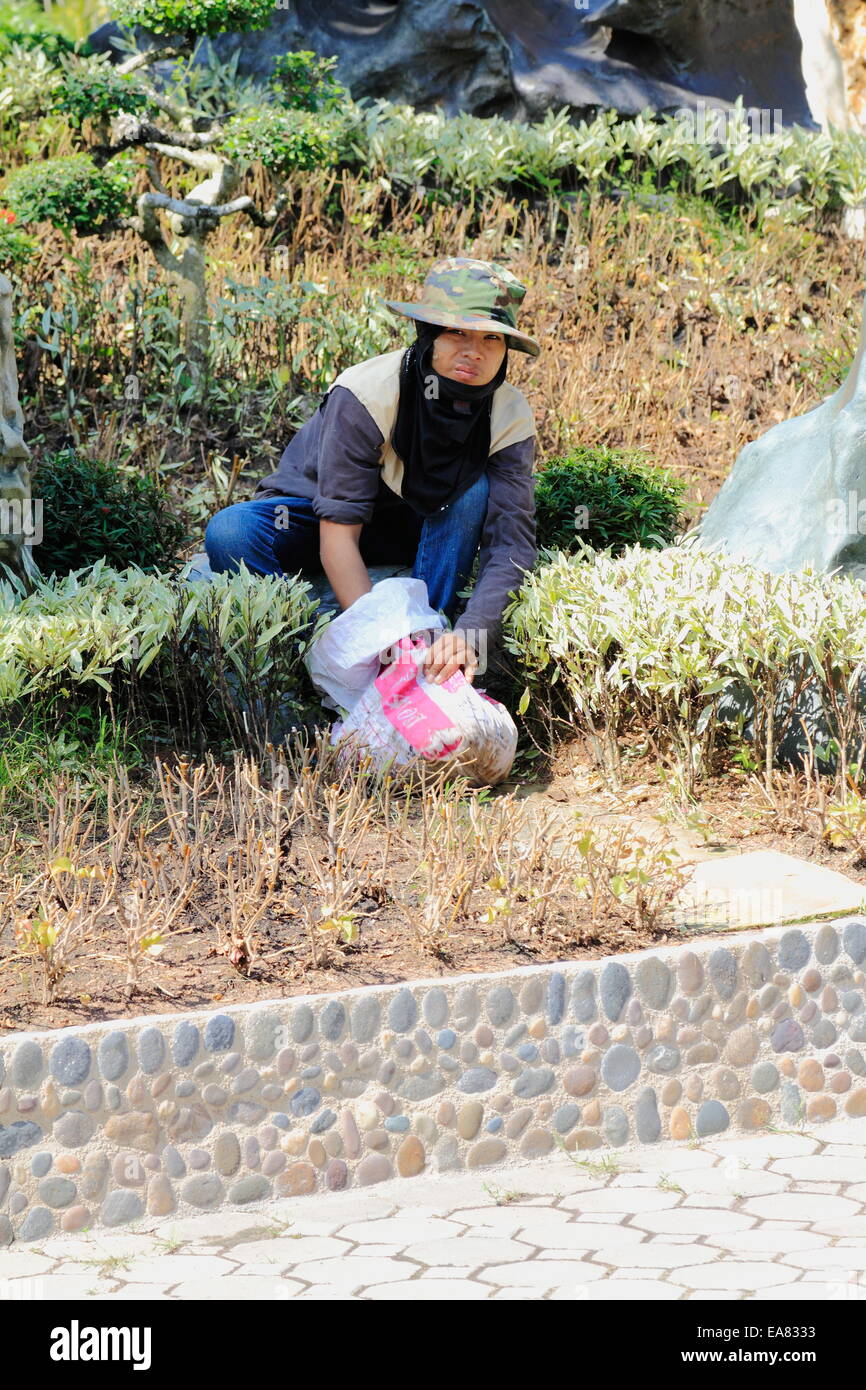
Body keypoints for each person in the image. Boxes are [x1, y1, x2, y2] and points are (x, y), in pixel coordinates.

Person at [205, 255, 540, 685]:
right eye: (457, 331)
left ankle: (428, 644)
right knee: (230, 531)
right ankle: (299, 651)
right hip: (320, 524)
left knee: (474, 491)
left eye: (491, 338)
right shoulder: (367, 392)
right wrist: (380, 636)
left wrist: (472, 634)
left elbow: (511, 546)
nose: (473, 351)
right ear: (428, 332)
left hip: (414, 528)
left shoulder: (509, 413)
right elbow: (338, 534)